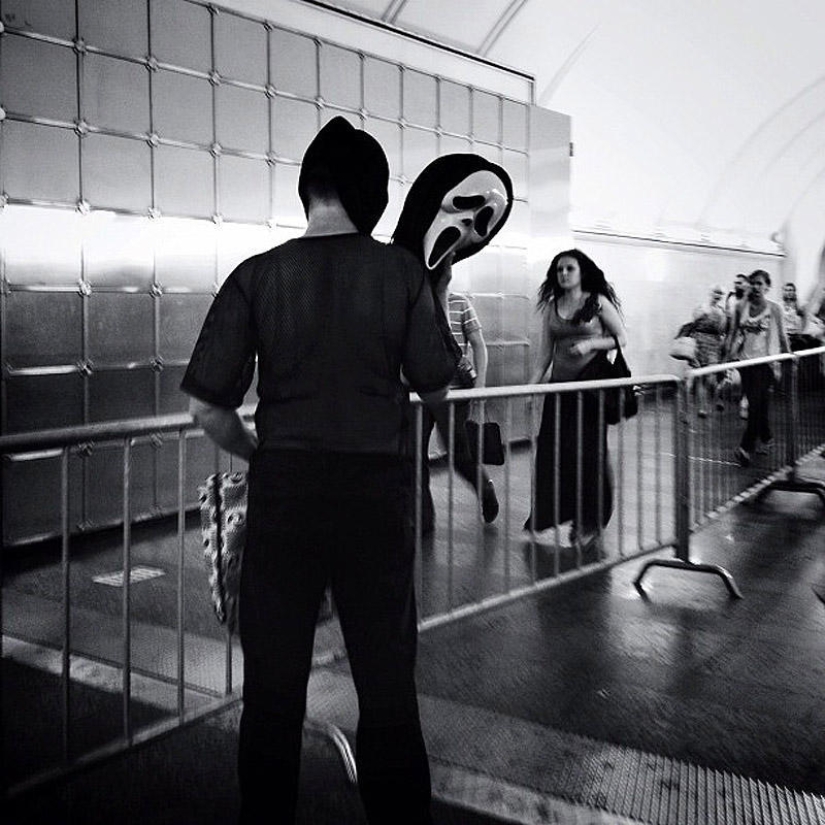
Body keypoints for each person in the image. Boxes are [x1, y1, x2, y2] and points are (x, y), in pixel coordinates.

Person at [181, 117, 458, 825]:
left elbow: (207, 406)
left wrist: (260, 457)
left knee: (272, 693)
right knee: (387, 687)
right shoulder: (399, 272)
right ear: (372, 194)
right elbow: (434, 382)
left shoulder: (256, 275)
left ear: (307, 188)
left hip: (286, 496)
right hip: (374, 497)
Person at [393, 153, 513, 534]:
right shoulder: (397, 270)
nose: (465, 223)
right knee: (413, 460)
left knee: (458, 453)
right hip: (412, 388)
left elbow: (453, 343)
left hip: (446, 386)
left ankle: (484, 488)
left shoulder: (449, 289)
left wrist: (441, 291)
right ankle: (421, 523)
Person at [524, 249, 627, 548]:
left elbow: (621, 337)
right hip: (560, 391)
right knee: (555, 453)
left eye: (569, 269)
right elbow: (545, 354)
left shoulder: (597, 303)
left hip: (590, 391)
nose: (564, 274)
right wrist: (532, 387)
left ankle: (591, 520)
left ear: (582, 272)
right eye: (559, 270)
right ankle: (557, 513)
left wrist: (591, 344)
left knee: (588, 455)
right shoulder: (553, 307)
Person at [724, 269, 790, 467]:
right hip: (746, 363)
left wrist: (789, 356)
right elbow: (734, 333)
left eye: (760, 283)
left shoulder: (774, 309)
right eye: (753, 283)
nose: (756, 287)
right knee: (759, 404)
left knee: (754, 403)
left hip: (766, 364)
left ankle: (746, 447)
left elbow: (783, 335)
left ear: (768, 287)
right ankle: (767, 436)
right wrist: (727, 359)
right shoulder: (740, 307)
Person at [689, 285, 727, 416]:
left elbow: (722, 330)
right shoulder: (701, 307)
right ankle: (702, 407)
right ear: (710, 292)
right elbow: (693, 323)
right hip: (700, 341)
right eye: (716, 292)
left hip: (714, 344)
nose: (718, 295)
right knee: (701, 377)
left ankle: (716, 399)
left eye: (720, 294)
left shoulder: (721, 311)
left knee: (712, 376)